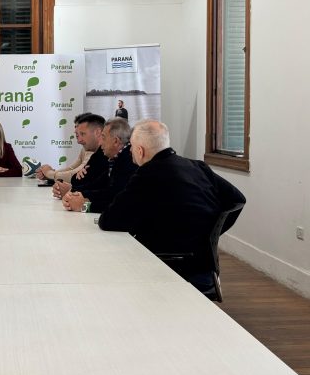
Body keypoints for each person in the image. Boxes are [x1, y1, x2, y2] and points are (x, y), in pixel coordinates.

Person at [98, 119, 246, 286]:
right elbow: (237, 199)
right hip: (205, 268)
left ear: (140, 150)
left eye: (131, 146)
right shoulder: (198, 167)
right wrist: (212, 233)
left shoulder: (146, 175)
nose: (130, 150)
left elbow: (109, 220)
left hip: (164, 267)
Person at [62, 117, 138, 213]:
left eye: (103, 137)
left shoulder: (129, 161)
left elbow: (119, 202)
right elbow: (101, 185)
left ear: (116, 141)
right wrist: (74, 193)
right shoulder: (116, 158)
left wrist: (84, 206)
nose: (100, 142)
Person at [52, 113, 108, 199]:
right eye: (78, 134)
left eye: (83, 134)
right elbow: (79, 180)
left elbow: (108, 190)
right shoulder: (96, 155)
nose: (79, 140)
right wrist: (68, 188)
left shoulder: (108, 155)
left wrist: (72, 191)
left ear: (97, 132)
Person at [35, 112, 94, 182]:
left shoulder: (93, 148)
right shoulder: (85, 148)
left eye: (78, 127)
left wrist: (49, 173)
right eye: (75, 127)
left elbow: (74, 175)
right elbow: (71, 169)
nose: (75, 131)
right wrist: (49, 176)